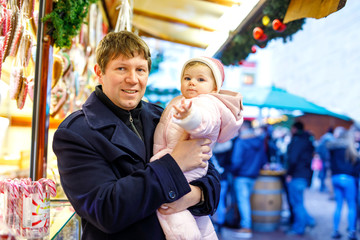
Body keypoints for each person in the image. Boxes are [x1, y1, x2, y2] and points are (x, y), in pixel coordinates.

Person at [52, 31, 221, 240]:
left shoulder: (164, 116)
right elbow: (106, 211)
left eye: (140, 69)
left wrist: (192, 197)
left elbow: (211, 177)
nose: (132, 79)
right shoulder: (76, 133)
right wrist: (174, 164)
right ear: (99, 72)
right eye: (121, 68)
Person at [150, 56, 243, 239]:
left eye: (200, 79)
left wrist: (189, 116)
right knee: (197, 218)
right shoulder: (179, 100)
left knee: (170, 211)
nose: (192, 83)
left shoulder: (206, 103)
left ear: (214, 88)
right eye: (187, 78)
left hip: (188, 166)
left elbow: (204, 121)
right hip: (174, 161)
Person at [230, 120, 268, 238]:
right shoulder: (259, 141)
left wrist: (234, 172)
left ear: (244, 127)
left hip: (241, 176)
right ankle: (244, 225)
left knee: (243, 202)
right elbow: (263, 160)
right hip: (253, 176)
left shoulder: (241, 141)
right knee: (245, 201)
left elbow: (236, 160)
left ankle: (246, 228)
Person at [326, 126, 360, 240]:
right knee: (351, 205)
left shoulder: (334, 147)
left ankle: (335, 231)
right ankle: (351, 232)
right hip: (348, 178)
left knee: (338, 205)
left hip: (335, 178)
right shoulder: (351, 148)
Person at [285, 121, 316, 236]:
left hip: (296, 175)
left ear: (294, 129)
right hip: (304, 175)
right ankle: (309, 221)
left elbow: (293, 159)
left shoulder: (298, 141)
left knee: (297, 203)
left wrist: (289, 174)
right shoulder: (308, 140)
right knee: (300, 202)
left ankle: (299, 228)